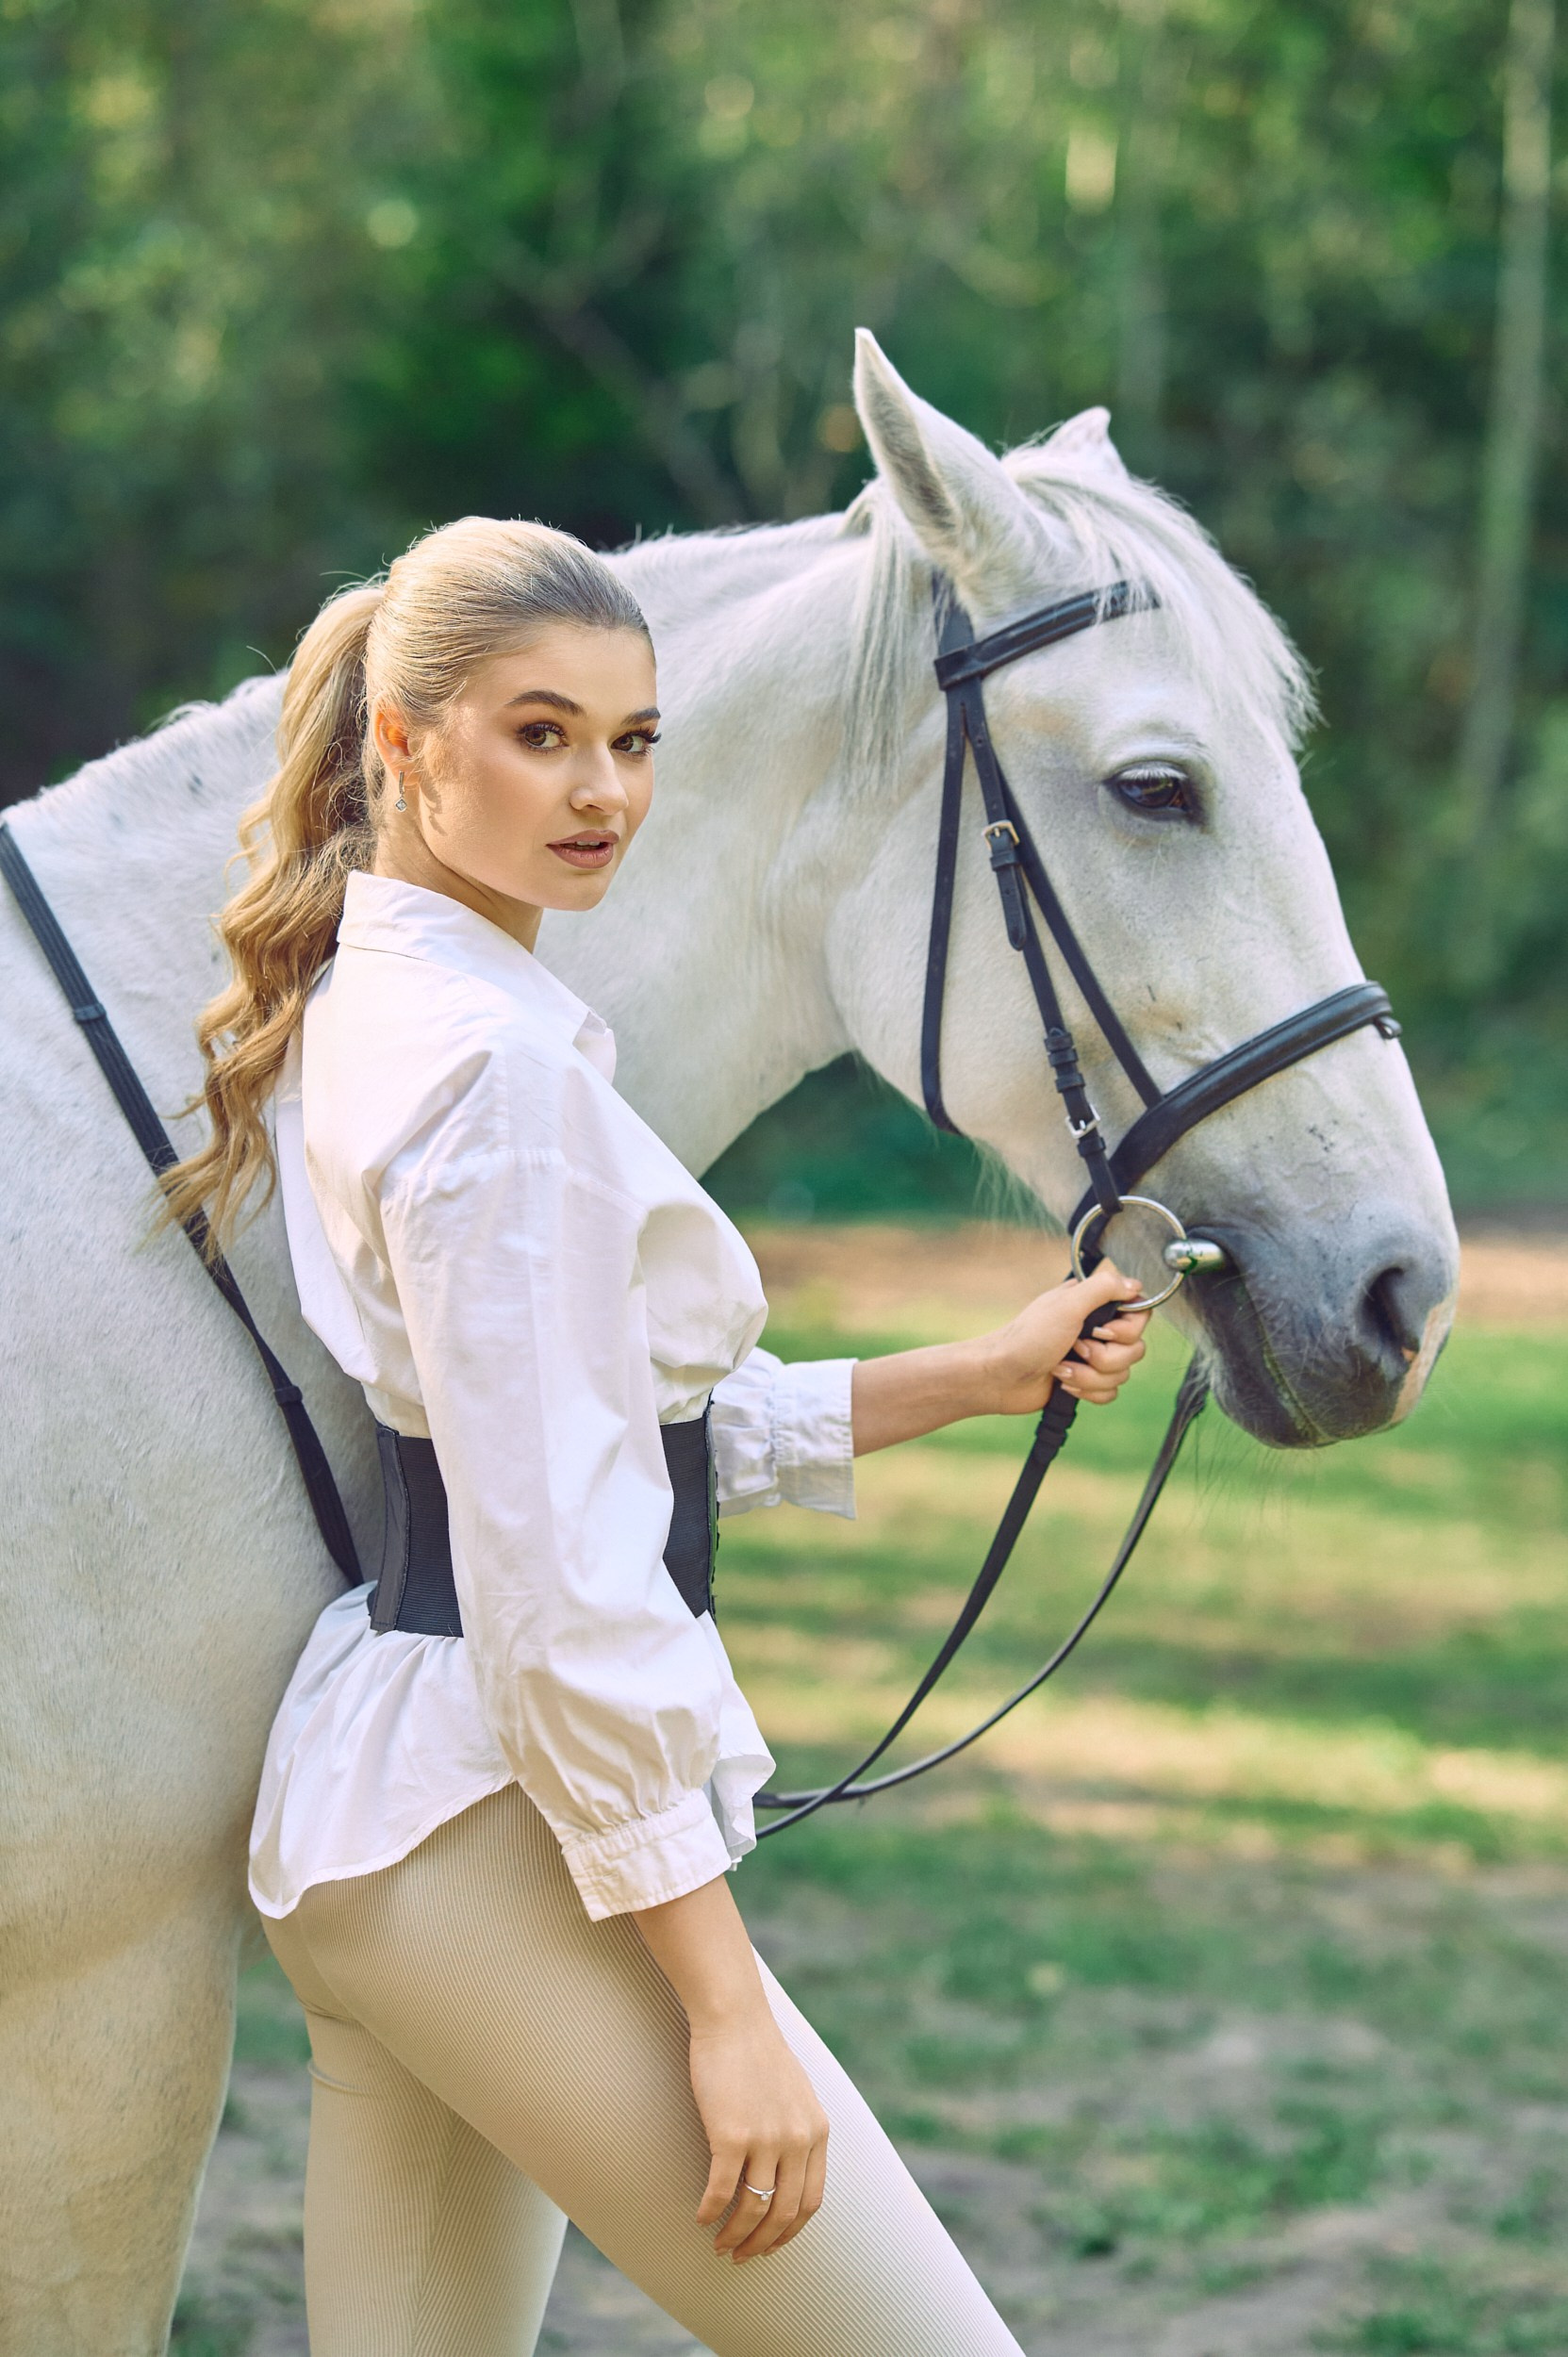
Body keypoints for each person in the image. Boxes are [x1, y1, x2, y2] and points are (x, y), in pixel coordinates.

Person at [164, 515, 1150, 2357]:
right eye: (542, 734)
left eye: (632, 739)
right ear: (403, 740)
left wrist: (978, 1367)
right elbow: (558, 1576)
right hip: (481, 1826)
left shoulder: (396, 1001)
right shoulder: (497, 1069)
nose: (603, 788)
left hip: (384, 1810)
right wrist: (722, 2005)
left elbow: (586, 1422)